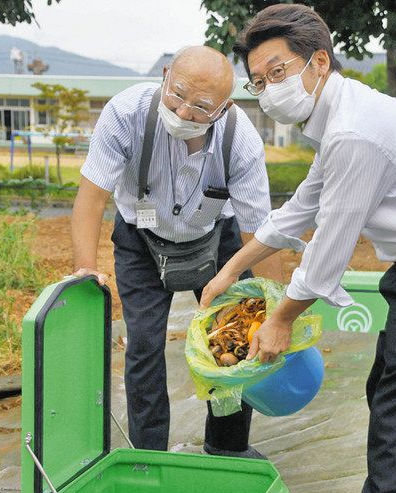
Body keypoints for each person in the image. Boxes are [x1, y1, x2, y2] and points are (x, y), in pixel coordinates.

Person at [200, 4, 396, 493]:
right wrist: (233, 268)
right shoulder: (339, 120)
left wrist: (281, 318)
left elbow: (332, 245)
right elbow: (301, 209)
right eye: (258, 80)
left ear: (318, 61)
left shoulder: (356, 131)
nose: (268, 87)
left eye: (277, 69)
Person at [71, 45, 282, 459]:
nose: (184, 112)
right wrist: (84, 268)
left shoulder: (241, 140)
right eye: (178, 94)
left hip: (215, 241)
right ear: (165, 75)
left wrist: (276, 307)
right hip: (140, 243)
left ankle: (226, 445)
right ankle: (148, 454)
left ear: (223, 107)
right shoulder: (126, 114)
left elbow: (260, 232)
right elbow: (92, 197)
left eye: (202, 106)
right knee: (145, 346)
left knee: (232, 337)